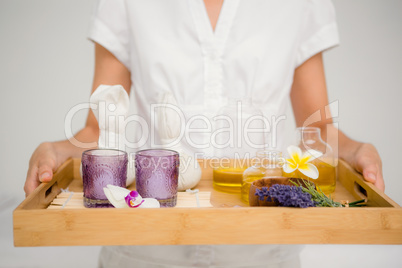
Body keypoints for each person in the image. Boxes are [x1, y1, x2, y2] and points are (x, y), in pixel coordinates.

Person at [24, 0, 385, 267]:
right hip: (145, 250)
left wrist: (349, 151)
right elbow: (98, 129)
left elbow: (316, 130)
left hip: (262, 250)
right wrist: (59, 150)